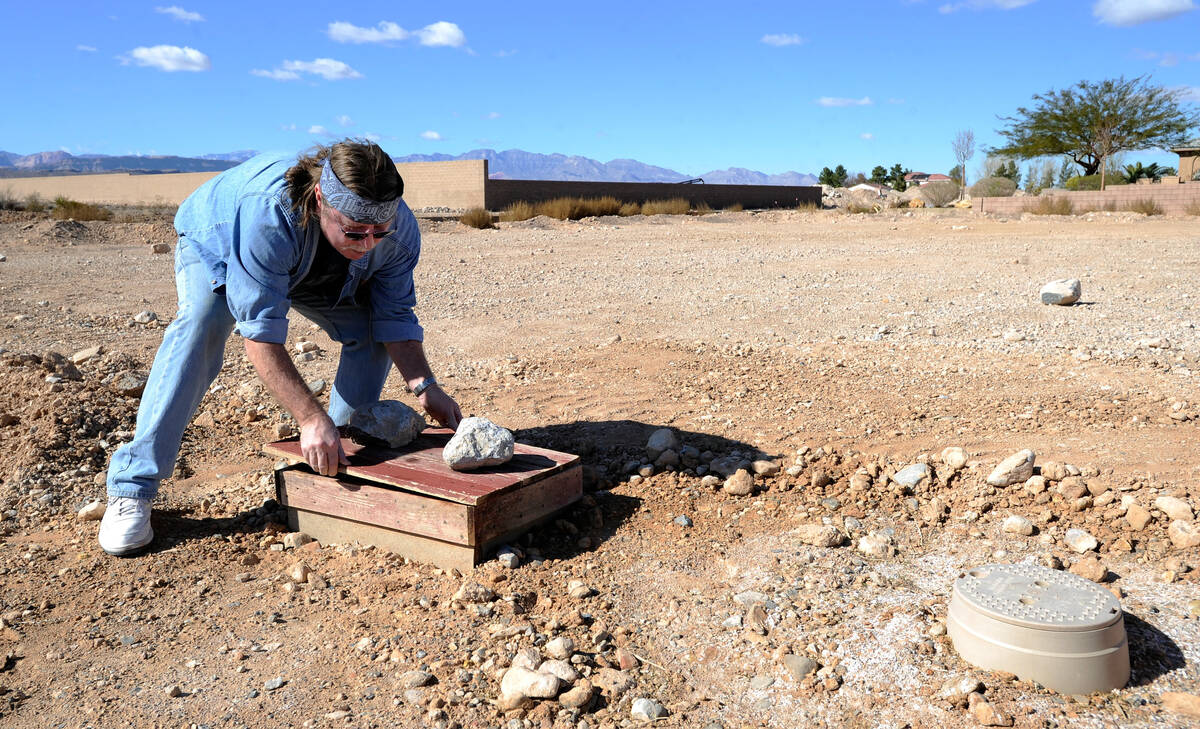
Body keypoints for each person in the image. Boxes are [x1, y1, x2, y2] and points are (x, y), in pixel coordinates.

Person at [98, 139, 461, 556]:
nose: (368, 244)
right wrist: (308, 415)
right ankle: (132, 487)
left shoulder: (397, 233)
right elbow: (260, 333)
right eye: (355, 231)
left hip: (311, 267)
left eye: (379, 232)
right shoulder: (270, 213)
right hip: (217, 241)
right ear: (321, 198)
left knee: (373, 332)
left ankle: (334, 453)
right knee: (204, 323)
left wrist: (425, 386)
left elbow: (394, 316)